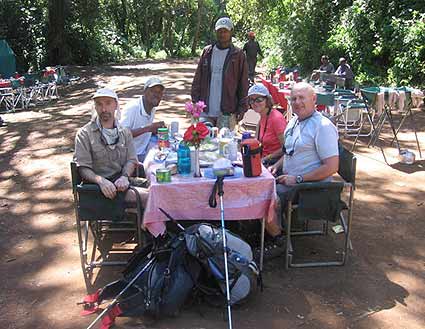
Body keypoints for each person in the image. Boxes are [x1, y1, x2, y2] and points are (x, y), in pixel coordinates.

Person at [266, 82, 339, 255]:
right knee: (257, 184)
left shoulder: (323, 126)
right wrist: (276, 166)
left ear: (314, 99)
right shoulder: (294, 121)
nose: (297, 102)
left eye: (301, 98)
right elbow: (290, 152)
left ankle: (279, 240)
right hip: (289, 177)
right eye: (294, 99)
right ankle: (266, 228)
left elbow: (332, 167)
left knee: (265, 197)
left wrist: (298, 179)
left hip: (310, 187)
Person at [74, 88, 148, 206]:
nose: (104, 109)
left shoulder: (124, 132)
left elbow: (131, 160)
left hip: (121, 184)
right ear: (95, 107)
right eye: (99, 104)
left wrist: (124, 177)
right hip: (97, 190)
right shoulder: (84, 134)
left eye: (108, 103)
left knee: (158, 189)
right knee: (150, 198)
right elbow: (83, 168)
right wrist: (101, 181)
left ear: (115, 105)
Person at [191, 17, 249, 130]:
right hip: (205, 109)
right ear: (215, 32)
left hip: (227, 110)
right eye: (219, 31)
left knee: (224, 143)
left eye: (225, 31)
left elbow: (243, 83)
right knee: (203, 141)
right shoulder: (207, 52)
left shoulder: (238, 55)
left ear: (231, 32)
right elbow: (198, 78)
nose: (222, 34)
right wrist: (195, 101)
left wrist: (242, 107)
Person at [120, 77, 166, 162]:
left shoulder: (152, 108)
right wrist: (148, 128)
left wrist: (154, 129)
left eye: (160, 92)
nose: (157, 95)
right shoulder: (132, 108)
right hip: (130, 156)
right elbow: (122, 135)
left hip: (143, 149)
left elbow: (144, 128)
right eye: (153, 91)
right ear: (145, 92)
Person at [247, 84, 287, 166]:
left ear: (267, 100)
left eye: (259, 100)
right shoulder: (262, 116)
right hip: (264, 160)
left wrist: (265, 159)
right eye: (252, 100)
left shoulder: (276, 119)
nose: (255, 103)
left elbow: (286, 148)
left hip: (274, 164)